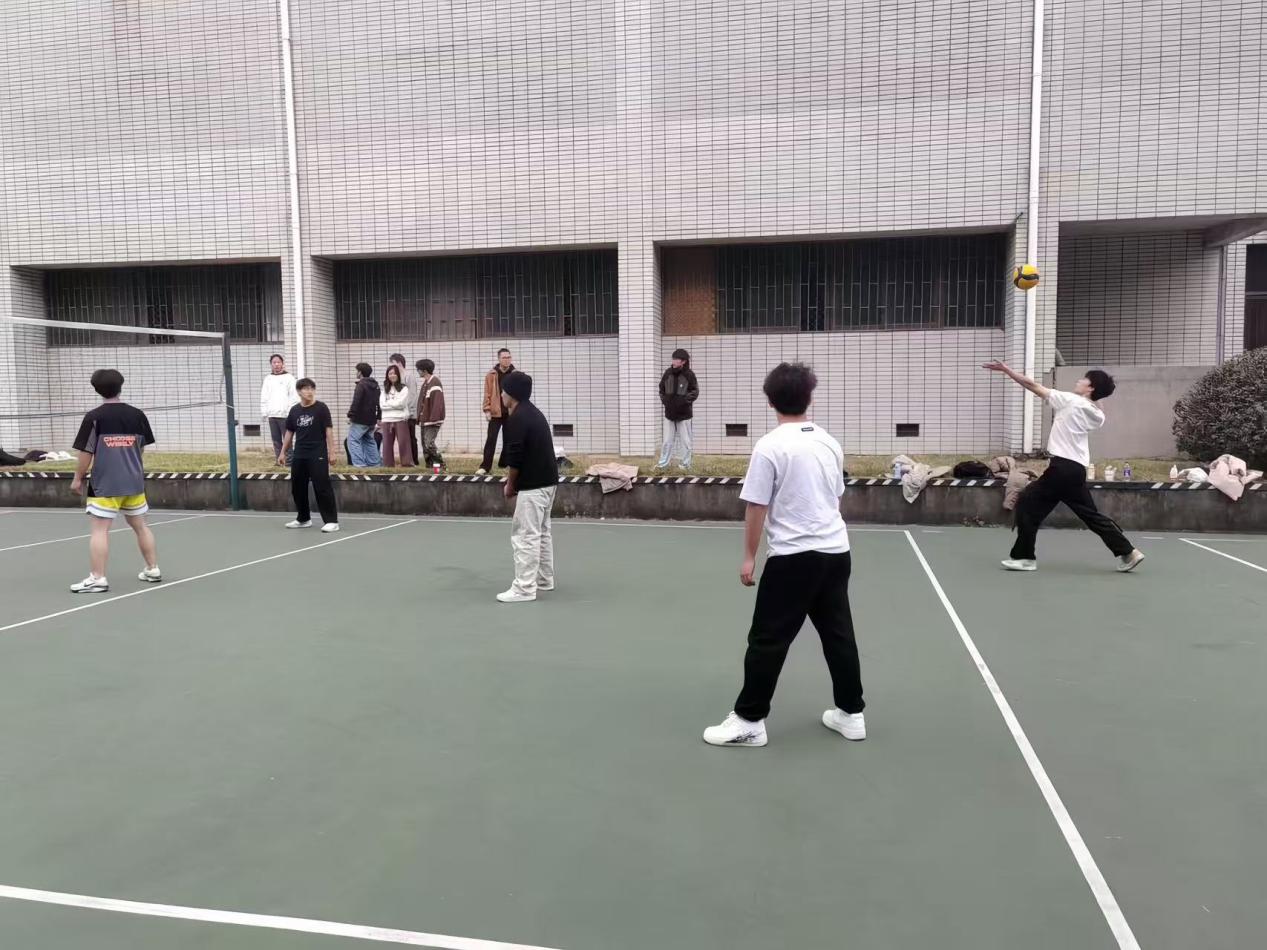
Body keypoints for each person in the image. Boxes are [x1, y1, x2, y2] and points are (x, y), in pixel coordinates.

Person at [703, 362, 865, 748]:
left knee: (767, 639)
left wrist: (749, 557)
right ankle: (851, 714)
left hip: (794, 557)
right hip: (836, 552)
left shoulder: (770, 446)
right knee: (838, 635)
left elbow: (756, 505)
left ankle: (749, 721)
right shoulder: (829, 442)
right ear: (810, 398)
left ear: (770, 401)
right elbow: (835, 498)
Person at [983, 361, 1144, 573]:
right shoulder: (1097, 415)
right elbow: (1098, 403)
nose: (1079, 381)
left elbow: (1032, 385)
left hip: (1062, 468)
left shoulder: (1070, 401)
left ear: (1091, 388)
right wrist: (1098, 393)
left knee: (1027, 503)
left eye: (1084, 379)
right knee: (1090, 515)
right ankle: (1129, 552)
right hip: (1076, 470)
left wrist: (1007, 370)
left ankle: (1024, 558)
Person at [68, 369, 162, 593]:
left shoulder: (94, 417)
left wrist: (77, 478)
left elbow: (86, 452)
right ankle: (153, 568)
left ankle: (97, 578)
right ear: (121, 386)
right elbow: (141, 447)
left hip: (105, 485)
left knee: (99, 530)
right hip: (133, 482)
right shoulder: (137, 415)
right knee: (141, 526)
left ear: (96, 390)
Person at [496, 371, 558, 603]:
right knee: (541, 533)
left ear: (511, 394)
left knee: (525, 536)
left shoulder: (517, 418)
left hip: (533, 486)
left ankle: (524, 588)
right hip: (548, 482)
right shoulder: (534, 413)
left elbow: (516, 458)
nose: (501, 395)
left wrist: (510, 485)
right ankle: (543, 579)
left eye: (503, 390)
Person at [279, 378, 339, 533]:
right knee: (297, 487)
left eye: (312, 388)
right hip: (300, 453)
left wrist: (332, 451)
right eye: (306, 389)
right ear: (299, 392)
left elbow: (328, 430)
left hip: (317, 452)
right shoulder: (294, 410)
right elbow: (289, 432)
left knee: (322, 486)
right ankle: (303, 519)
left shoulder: (321, 408)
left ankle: (331, 521)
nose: (310, 391)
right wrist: (282, 452)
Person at [656, 348, 699, 471]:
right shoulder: (667, 373)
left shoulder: (689, 375)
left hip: (684, 415)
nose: (673, 361)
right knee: (667, 441)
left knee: (686, 442)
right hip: (669, 414)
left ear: (683, 361)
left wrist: (683, 402)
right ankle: (663, 465)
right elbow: (661, 389)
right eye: (673, 359)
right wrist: (666, 402)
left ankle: (685, 465)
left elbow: (695, 392)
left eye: (676, 359)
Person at [477, 348, 515, 476]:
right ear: (499, 359)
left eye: (509, 357)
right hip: (495, 412)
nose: (507, 360)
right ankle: (485, 466)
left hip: (510, 412)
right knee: (491, 439)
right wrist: (487, 410)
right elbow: (487, 393)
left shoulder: (515, 374)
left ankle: (505, 463)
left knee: (509, 439)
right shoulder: (491, 374)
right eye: (504, 357)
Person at [259, 353, 299, 465]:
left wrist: (289, 411)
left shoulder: (289, 378)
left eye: (278, 362)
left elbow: (294, 396)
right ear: (271, 364)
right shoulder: (268, 379)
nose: (276, 364)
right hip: (272, 415)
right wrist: (264, 411)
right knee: (276, 440)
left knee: (287, 439)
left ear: (282, 364)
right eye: (274, 362)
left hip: (285, 415)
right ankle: (279, 460)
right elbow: (264, 396)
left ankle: (289, 461)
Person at [346, 363, 382, 467]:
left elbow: (356, 401)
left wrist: (351, 415)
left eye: (357, 371)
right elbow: (379, 402)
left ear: (360, 372)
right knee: (369, 440)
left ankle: (359, 464)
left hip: (360, 419)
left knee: (353, 440)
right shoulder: (376, 385)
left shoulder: (361, 385)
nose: (356, 373)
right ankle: (374, 464)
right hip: (371, 420)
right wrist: (379, 417)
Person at [379, 365, 414, 467]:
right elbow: (382, 405)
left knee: (404, 443)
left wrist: (388, 403)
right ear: (387, 376)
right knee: (387, 444)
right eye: (390, 373)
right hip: (386, 419)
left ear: (398, 375)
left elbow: (401, 404)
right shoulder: (384, 389)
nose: (392, 375)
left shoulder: (404, 388)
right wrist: (394, 403)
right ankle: (388, 465)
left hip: (400, 419)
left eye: (394, 373)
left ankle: (407, 464)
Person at [392, 353, 421, 467]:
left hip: (409, 413)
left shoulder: (409, 376)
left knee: (410, 437)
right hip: (400, 413)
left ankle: (414, 460)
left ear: (399, 363)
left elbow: (412, 395)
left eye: (393, 364)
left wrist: (409, 412)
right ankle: (406, 460)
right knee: (403, 438)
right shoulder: (398, 378)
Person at [416, 358, 446, 470]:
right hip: (425, 419)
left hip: (432, 420)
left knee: (429, 443)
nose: (418, 371)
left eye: (418, 369)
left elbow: (437, 402)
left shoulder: (435, 382)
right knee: (425, 445)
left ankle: (440, 465)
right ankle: (430, 467)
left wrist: (434, 418)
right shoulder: (426, 383)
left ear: (424, 370)